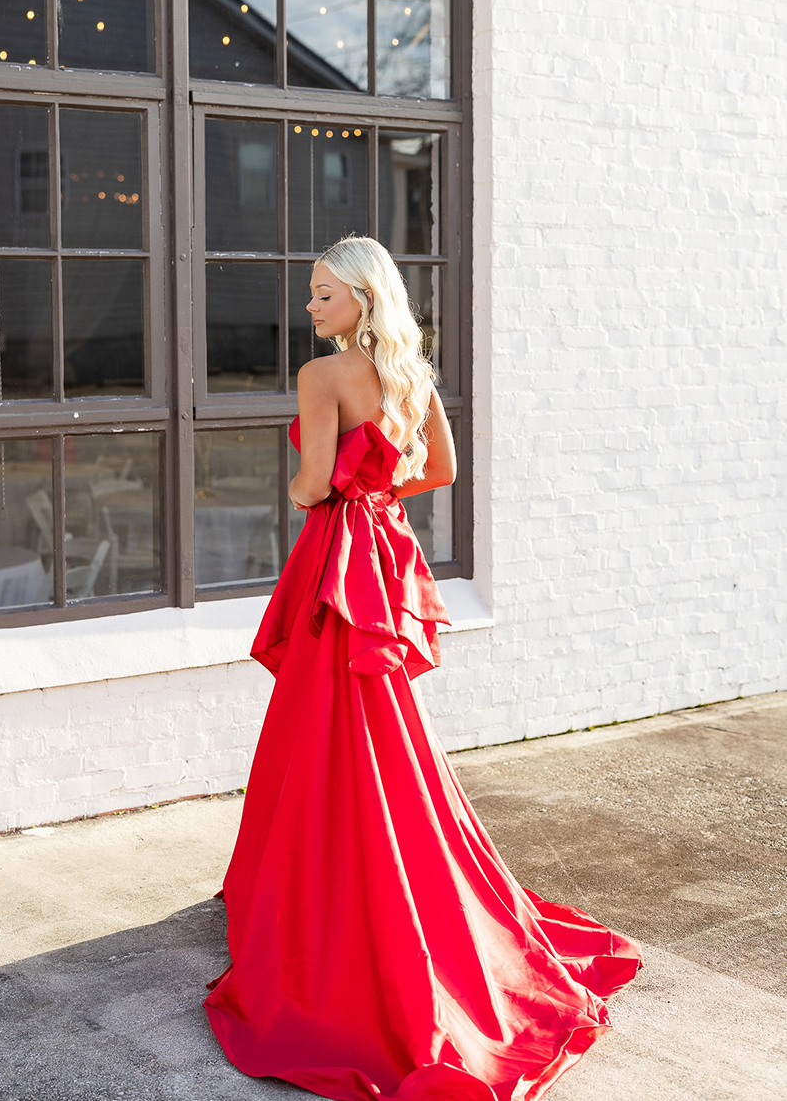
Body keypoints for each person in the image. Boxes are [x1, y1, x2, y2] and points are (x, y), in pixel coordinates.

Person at [203, 236, 643, 1101]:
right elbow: (438, 469)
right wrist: (380, 491)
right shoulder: (412, 375)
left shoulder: (322, 376)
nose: (312, 308)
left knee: (324, 717)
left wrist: (317, 484)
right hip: (380, 550)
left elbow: (310, 484)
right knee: (381, 724)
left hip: (339, 557)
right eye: (312, 295)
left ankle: (322, 883)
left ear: (363, 299)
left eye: (325, 295)